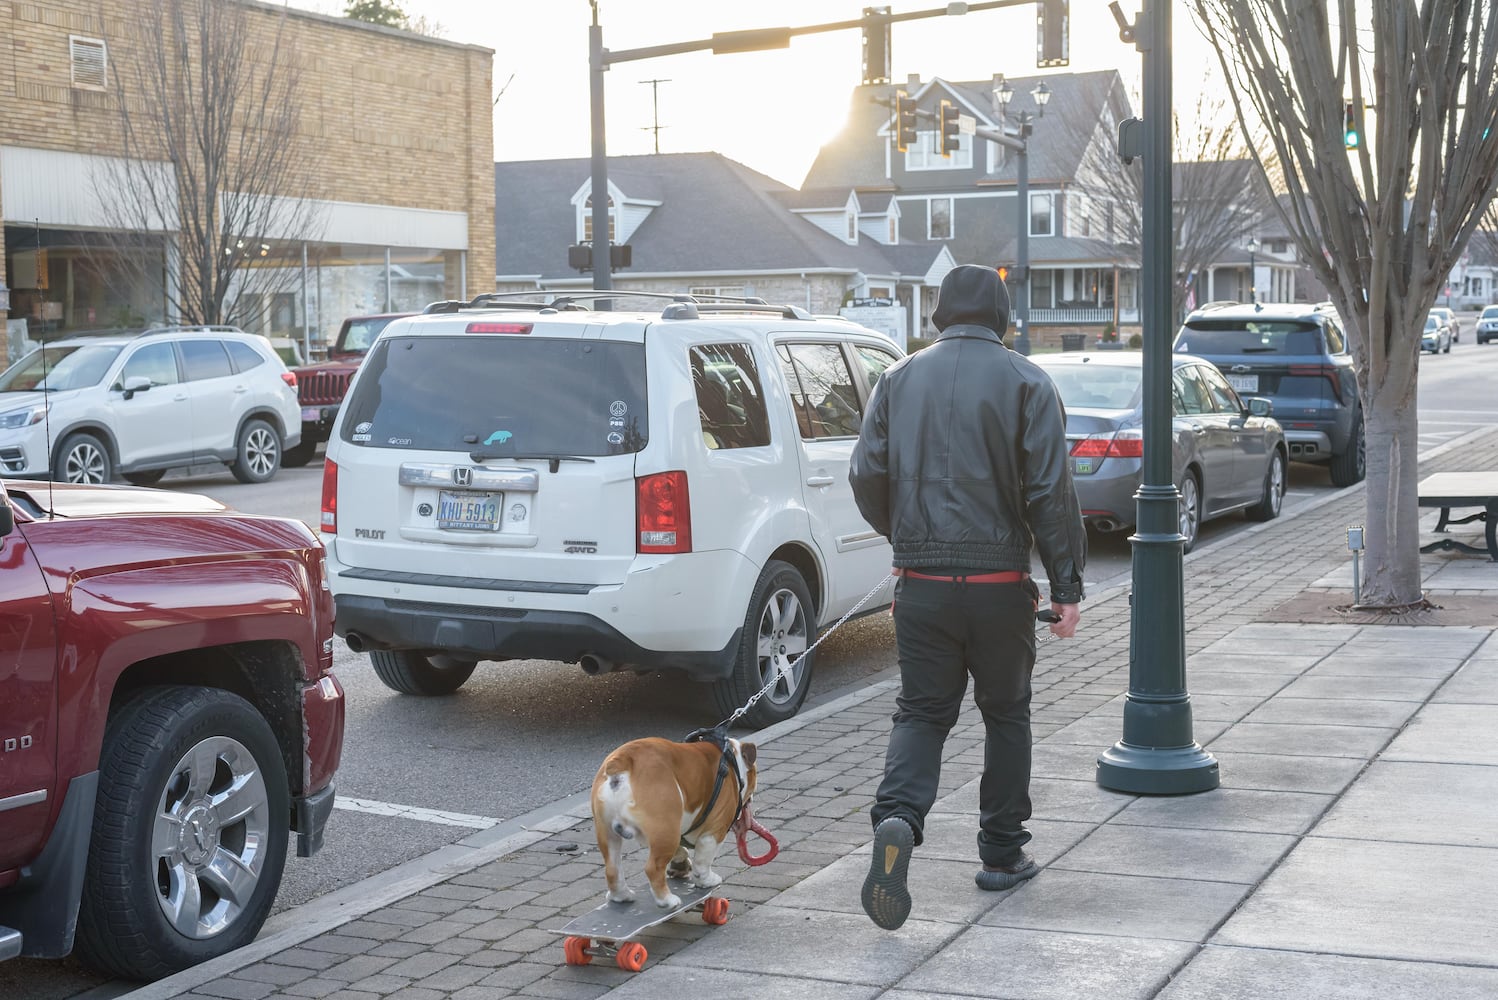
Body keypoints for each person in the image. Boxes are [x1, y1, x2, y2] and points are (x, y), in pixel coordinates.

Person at [848, 263, 1086, 931]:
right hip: (998, 586)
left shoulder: (896, 380)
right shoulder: (1029, 382)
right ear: (1003, 316)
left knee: (921, 712)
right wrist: (1066, 587)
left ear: (939, 315)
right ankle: (1002, 855)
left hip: (921, 585)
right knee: (1006, 716)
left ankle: (898, 817)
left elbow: (866, 473)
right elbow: (1049, 493)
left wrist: (907, 537)